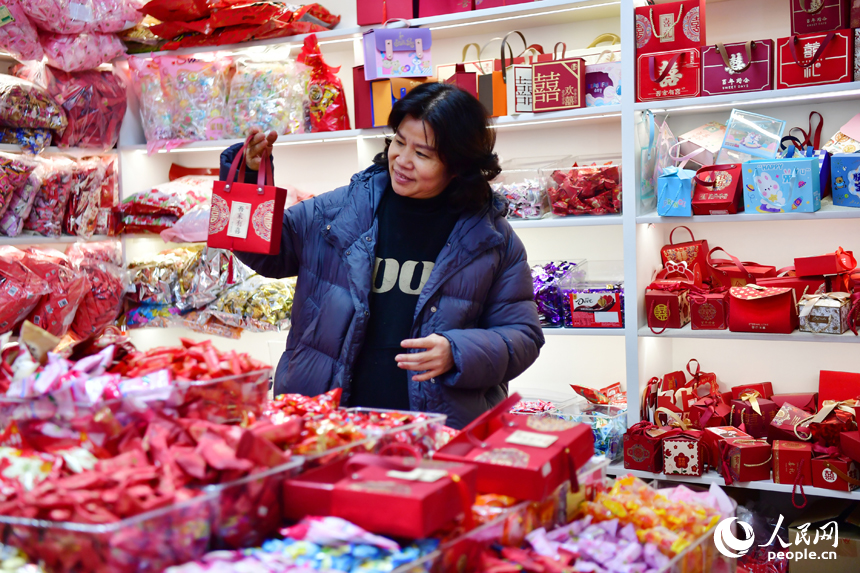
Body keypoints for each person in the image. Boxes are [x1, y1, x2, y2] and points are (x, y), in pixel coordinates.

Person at [220, 82, 543, 429]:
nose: (402, 161)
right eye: (399, 142)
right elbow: (268, 253)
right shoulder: (341, 211)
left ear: (458, 166)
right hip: (329, 423)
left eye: (423, 154)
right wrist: (247, 178)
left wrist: (457, 350)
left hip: (437, 430)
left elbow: (523, 334)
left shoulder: (490, 240)